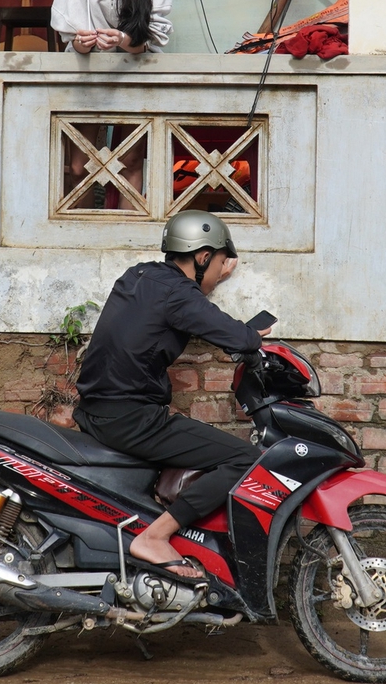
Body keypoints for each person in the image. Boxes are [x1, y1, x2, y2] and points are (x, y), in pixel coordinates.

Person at [73, 210, 269, 579]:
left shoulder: (140, 276)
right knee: (245, 459)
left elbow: (184, 305)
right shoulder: (178, 295)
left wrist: (208, 281)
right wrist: (254, 334)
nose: (219, 273)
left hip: (97, 409)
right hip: (132, 419)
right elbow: (239, 337)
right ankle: (155, 537)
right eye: (217, 263)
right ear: (202, 256)